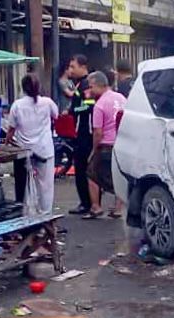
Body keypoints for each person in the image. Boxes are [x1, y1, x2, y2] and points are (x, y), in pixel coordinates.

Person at [7, 73, 59, 215]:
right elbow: (56, 115)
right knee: (46, 186)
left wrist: (7, 142)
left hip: (24, 151)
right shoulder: (47, 103)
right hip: (44, 150)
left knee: (23, 185)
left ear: (22, 88)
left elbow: (11, 129)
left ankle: (26, 216)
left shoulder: (17, 105)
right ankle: (45, 216)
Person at [84, 71, 127, 220]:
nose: (89, 90)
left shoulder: (100, 105)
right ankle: (118, 208)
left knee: (92, 174)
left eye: (91, 87)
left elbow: (97, 132)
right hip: (121, 143)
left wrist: (93, 150)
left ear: (97, 85)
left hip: (106, 144)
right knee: (118, 176)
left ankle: (96, 206)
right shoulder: (121, 98)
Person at [67, 54, 95, 215]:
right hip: (82, 132)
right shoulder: (81, 84)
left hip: (85, 133)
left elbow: (89, 106)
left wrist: (72, 111)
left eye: (73, 67)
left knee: (82, 169)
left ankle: (86, 203)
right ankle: (88, 202)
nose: (71, 70)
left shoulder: (86, 84)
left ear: (82, 67)